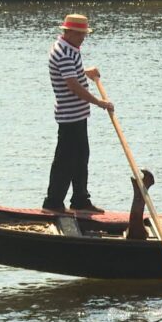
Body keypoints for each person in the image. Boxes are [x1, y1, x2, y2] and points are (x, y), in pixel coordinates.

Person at [43, 14, 114, 213]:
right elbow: (72, 85)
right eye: (81, 34)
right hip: (70, 115)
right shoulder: (64, 52)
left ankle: (80, 200)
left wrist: (85, 72)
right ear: (70, 32)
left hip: (78, 114)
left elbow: (72, 73)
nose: (84, 37)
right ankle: (53, 203)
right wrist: (99, 102)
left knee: (81, 157)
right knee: (65, 160)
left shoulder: (70, 49)